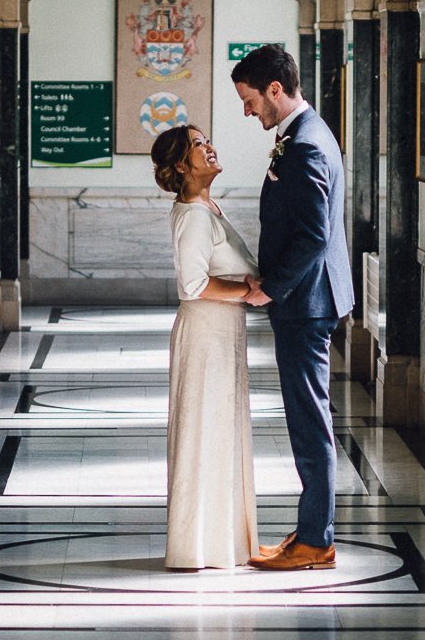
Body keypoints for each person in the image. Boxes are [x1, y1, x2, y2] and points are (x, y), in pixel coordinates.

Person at [231, 43, 355, 571]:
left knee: (309, 422)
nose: (246, 111)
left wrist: (271, 287)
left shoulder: (304, 146)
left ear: (275, 91)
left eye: (249, 99)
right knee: (308, 418)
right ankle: (310, 529)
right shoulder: (307, 133)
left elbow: (312, 235)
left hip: (307, 301)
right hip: (311, 296)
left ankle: (316, 540)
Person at [151, 122, 260, 570]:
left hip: (223, 332)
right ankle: (196, 545)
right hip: (206, 336)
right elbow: (192, 284)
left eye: (207, 139)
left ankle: (221, 541)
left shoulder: (208, 207)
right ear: (181, 164)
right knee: (205, 433)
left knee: (222, 433)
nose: (210, 147)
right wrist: (249, 292)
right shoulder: (194, 215)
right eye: (198, 145)